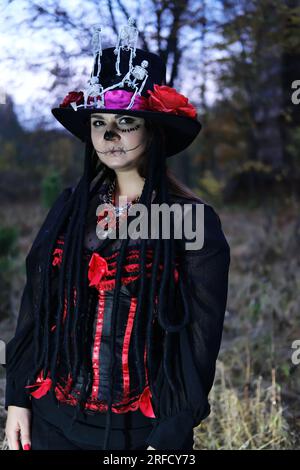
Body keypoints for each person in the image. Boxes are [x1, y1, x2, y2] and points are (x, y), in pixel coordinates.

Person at [3, 19, 230, 451]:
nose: (109, 135)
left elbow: (201, 342)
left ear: (154, 130)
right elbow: (35, 305)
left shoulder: (192, 221)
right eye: (98, 122)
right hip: (52, 419)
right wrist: (18, 398)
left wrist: (171, 433)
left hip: (142, 433)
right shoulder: (70, 207)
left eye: (126, 121)